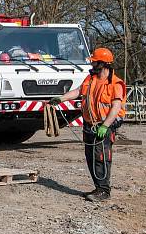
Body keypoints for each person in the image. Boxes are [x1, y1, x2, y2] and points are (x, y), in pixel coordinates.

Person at [49, 47, 126, 202]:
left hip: (104, 125)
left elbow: (116, 107)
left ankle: (104, 190)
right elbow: (78, 91)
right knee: (90, 157)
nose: (92, 65)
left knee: (101, 157)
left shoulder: (115, 84)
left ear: (103, 63)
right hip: (89, 124)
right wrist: (61, 99)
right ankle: (98, 187)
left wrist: (105, 126)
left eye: (95, 62)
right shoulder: (90, 79)